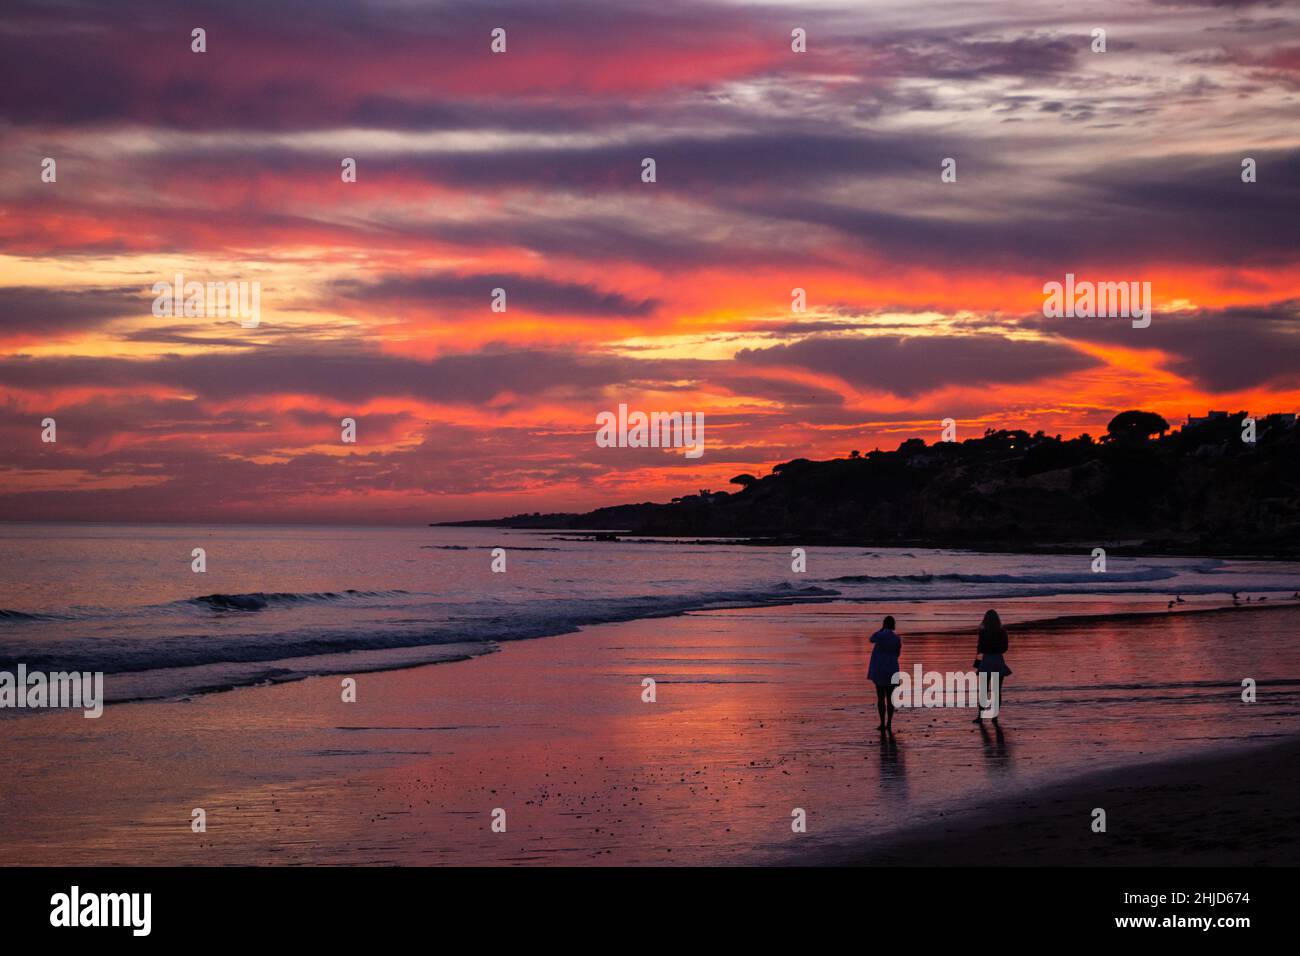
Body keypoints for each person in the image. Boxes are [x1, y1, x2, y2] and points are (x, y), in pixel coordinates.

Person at [973, 609, 1011, 723]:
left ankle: (980, 716)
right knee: (997, 690)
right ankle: (995, 717)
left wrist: (984, 648)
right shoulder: (1002, 632)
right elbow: (1005, 648)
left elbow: (980, 648)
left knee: (984, 690)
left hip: (987, 661)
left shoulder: (983, 632)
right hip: (998, 661)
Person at [867, 615, 902, 732]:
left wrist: (881, 630)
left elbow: (871, 639)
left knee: (881, 698)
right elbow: (897, 654)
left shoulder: (880, 636)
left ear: (884, 624)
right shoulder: (897, 638)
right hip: (892, 668)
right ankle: (889, 723)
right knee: (890, 699)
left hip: (880, 669)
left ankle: (882, 723)